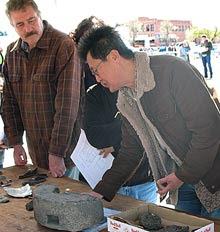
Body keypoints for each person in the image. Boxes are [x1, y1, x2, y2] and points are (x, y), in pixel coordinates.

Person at [78, 26, 220, 219]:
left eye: (96, 70)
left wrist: (182, 176)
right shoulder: (126, 98)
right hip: (184, 182)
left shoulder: (172, 71)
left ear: (113, 57)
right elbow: (130, 151)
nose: (96, 78)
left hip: (213, 177)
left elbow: (209, 130)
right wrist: (100, 192)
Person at [2, 0, 84, 178]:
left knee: (65, 203)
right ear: (13, 26)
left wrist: (57, 152)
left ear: (40, 16)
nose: (27, 28)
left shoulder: (64, 46)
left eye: (31, 20)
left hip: (65, 155)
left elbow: (67, 105)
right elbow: (9, 103)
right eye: (20, 24)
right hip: (35, 153)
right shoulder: (12, 53)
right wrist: (15, 142)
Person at [83, 83, 158, 203]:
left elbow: (151, 133)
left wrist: (116, 144)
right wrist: (133, 123)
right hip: (107, 182)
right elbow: (95, 136)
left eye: (97, 70)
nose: (97, 78)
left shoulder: (143, 89)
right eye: (93, 73)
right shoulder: (95, 94)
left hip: (145, 181)